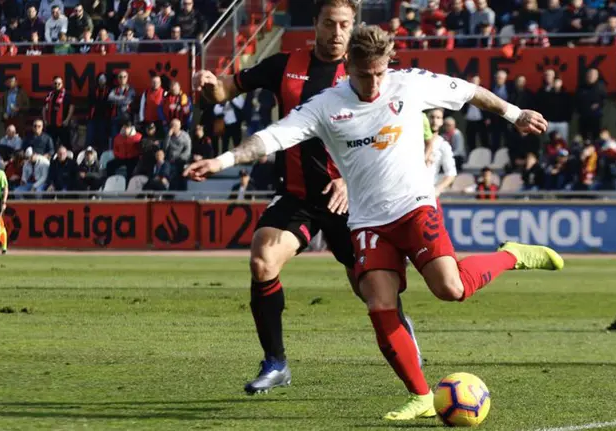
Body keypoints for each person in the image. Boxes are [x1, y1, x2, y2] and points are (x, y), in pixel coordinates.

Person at [187, 25, 563, 419]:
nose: (373, 83)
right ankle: (420, 394)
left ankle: (511, 254)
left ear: (389, 64)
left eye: (380, 73)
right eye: (364, 74)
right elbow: (271, 138)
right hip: (367, 222)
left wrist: (515, 114)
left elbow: (470, 92)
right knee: (379, 303)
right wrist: (222, 161)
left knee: (450, 289)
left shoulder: (410, 84)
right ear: (348, 65)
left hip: (415, 207)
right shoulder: (325, 105)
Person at [187, 0, 408, 397]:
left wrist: (350, 179)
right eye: (330, 23)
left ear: (354, 25)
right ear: (316, 24)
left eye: (344, 24)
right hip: (297, 196)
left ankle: (407, 348)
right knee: (262, 259)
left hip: (352, 199)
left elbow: (388, 134)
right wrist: (209, 87)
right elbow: (225, 89)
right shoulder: (284, 64)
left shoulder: (371, 75)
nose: (337, 32)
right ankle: (275, 363)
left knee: (372, 290)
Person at [425, 109, 457, 197]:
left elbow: (451, 173)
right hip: (409, 193)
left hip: (428, 194)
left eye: (438, 118)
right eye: (432, 117)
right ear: (426, 119)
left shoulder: (443, 145)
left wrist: (438, 189)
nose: (435, 121)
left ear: (442, 122)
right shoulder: (414, 141)